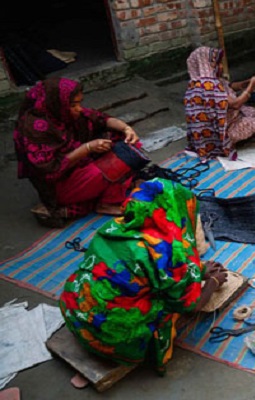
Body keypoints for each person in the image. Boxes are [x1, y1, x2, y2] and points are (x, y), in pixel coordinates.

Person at [59, 178, 228, 375]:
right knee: (166, 303)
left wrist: (197, 271)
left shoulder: (114, 228)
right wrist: (212, 283)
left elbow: (142, 269)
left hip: (75, 310)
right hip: (110, 336)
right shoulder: (168, 251)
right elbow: (190, 305)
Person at [13, 77, 140, 221]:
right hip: (60, 185)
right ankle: (106, 202)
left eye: (79, 103)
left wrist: (126, 128)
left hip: (79, 167)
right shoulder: (35, 130)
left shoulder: (63, 112)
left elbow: (101, 119)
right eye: (74, 105)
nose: (79, 108)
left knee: (126, 142)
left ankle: (108, 189)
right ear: (57, 104)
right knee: (122, 160)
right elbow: (51, 169)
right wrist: (87, 148)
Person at [184, 46, 255, 160]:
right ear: (203, 63)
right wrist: (252, 84)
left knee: (252, 111)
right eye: (216, 63)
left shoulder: (198, 81)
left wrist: (249, 81)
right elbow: (236, 104)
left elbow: (231, 86)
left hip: (215, 126)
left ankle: (238, 135)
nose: (221, 67)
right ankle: (227, 144)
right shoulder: (208, 86)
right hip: (219, 133)